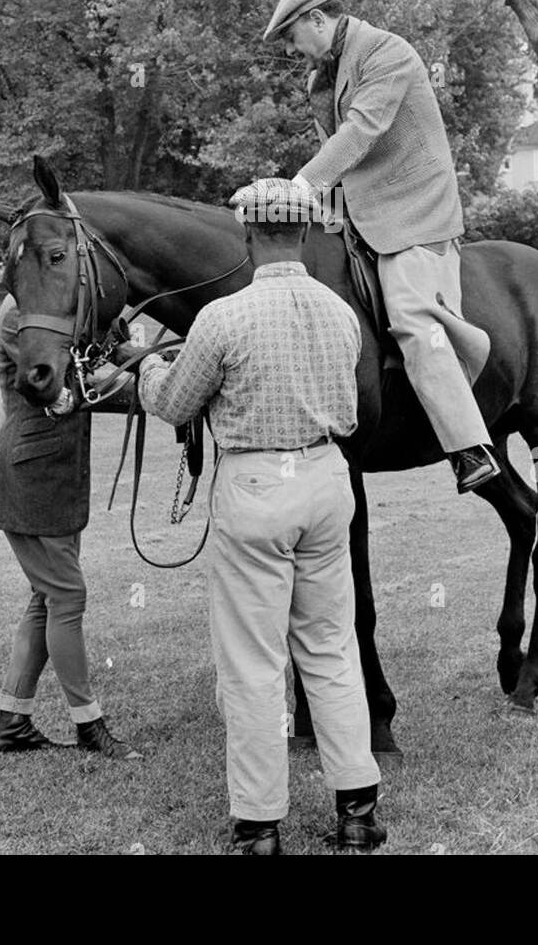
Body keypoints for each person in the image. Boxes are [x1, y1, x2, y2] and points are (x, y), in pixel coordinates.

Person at [121, 178, 386, 855]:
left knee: (253, 661)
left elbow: (177, 404)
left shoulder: (220, 318)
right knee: (330, 647)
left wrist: (146, 365)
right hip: (327, 479)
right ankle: (357, 808)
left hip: (257, 485)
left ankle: (261, 823)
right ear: (301, 233)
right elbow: (354, 414)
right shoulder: (339, 312)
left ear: (247, 234)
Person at [259, 0, 503, 497]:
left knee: (414, 319)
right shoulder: (320, 78)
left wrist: (299, 186)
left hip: (414, 209)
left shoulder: (387, 53)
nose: (289, 48)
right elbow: (340, 155)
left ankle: (468, 448)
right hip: (354, 208)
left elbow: (362, 131)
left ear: (318, 20)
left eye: (291, 35)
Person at [0, 292, 142, 760]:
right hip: (34, 471)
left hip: (52, 472)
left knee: (48, 597)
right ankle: (89, 726)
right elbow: (62, 390)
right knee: (67, 596)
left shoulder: (57, 308)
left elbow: (107, 356)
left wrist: (147, 357)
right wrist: (151, 390)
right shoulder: (21, 315)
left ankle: (12, 722)